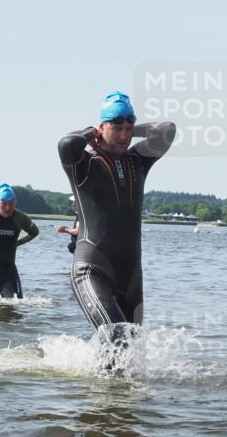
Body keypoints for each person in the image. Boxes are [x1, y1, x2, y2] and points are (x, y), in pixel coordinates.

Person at [57, 91, 176, 335]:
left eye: (129, 128)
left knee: (131, 351)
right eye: (116, 128)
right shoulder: (84, 164)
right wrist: (93, 132)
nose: (124, 136)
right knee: (117, 337)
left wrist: (130, 127)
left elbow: (168, 129)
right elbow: (67, 143)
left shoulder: (138, 160)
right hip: (91, 270)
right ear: (102, 127)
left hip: (131, 278)